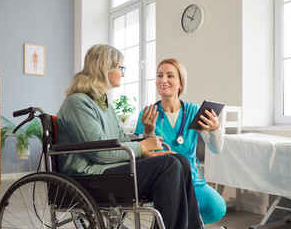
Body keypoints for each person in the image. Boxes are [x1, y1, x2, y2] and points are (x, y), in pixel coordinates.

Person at [56, 44, 208, 229]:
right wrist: (143, 147)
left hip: (108, 169)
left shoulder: (106, 106)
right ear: (105, 68)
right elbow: (100, 153)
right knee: (169, 165)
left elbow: (123, 141)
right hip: (89, 176)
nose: (123, 73)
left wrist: (146, 153)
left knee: (180, 161)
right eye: (121, 68)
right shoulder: (77, 102)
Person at [134, 58, 227, 225]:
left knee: (217, 207)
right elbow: (142, 156)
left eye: (170, 76)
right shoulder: (148, 114)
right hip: (163, 181)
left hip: (192, 179)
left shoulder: (193, 111)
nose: (163, 80)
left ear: (180, 83)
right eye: (159, 75)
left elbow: (216, 148)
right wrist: (149, 131)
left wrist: (215, 128)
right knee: (182, 208)